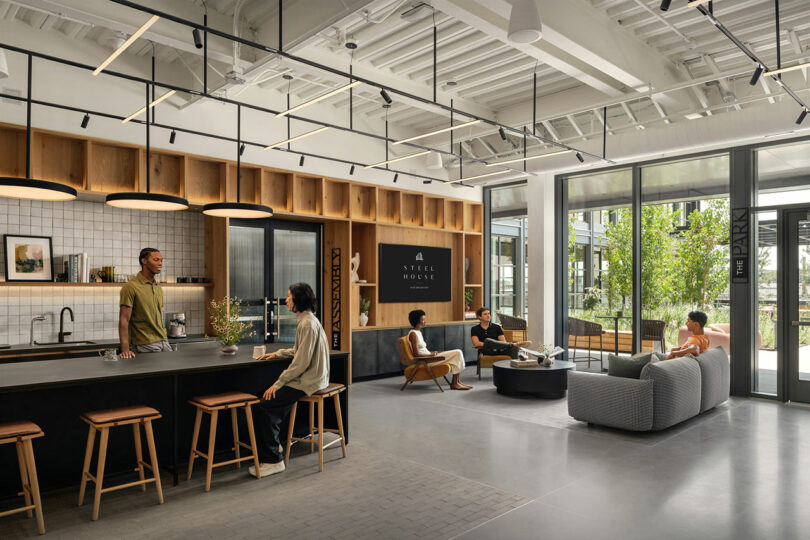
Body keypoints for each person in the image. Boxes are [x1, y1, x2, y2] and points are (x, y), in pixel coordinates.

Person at [250, 282, 330, 478]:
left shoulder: (307, 323)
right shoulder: (307, 320)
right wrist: (276, 354)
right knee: (265, 398)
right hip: (311, 377)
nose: (286, 300)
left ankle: (273, 460)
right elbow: (298, 352)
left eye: (289, 297)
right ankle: (274, 444)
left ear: (298, 300)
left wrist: (278, 383)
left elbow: (300, 363)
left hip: (310, 380)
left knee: (266, 401)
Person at [119, 248, 172, 357]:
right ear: (144, 261)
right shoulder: (131, 287)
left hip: (164, 342)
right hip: (145, 345)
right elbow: (124, 319)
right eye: (156, 260)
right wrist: (125, 350)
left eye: (161, 260)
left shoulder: (158, 287)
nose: (160, 263)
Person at [408, 309, 471, 390]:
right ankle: (455, 383)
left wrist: (433, 353)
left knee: (457, 353)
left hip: (429, 357)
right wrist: (430, 354)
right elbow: (416, 354)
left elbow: (422, 350)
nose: (425, 321)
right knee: (457, 353)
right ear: (417, 321)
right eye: (423, 319)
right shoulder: (413, 334)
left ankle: (457, 382)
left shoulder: (418, 332)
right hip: (426, 360)